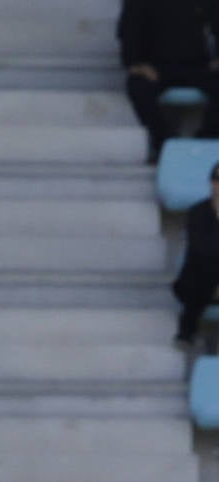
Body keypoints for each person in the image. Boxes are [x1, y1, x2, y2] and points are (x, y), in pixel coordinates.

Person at [118, 0, 219, 163]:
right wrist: (134, 63)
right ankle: (164, 143)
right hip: (156, 68)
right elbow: (129, 28)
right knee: (137, 85)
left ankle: (205, 141)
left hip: (198, 66)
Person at [173, 160, 219, 346]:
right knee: (202, 271)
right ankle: (186, 333)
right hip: (201, 278)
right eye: (217, 179)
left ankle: (186, 332)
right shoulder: (198, 212)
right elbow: (201, 249)